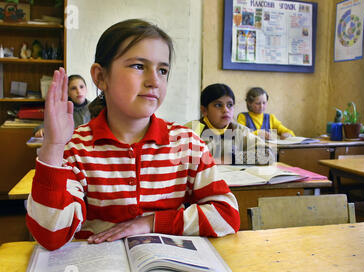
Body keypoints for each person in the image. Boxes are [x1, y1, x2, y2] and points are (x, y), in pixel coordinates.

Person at [26, 19, 240, 251]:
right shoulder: (76, 149)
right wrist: (53, 147)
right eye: (138, 66)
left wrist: (151, 222)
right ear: (100, 77)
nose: (154, 81)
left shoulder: (188, 145)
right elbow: (50, 236)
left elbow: (227, 215)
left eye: (163, 70)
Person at [184, 83, 275, 165]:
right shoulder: (191, 130)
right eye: (218, 105)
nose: (226, 110)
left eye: (230, 105)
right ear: (204, 110)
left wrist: (230, 159)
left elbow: (268, 155)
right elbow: (180, 159)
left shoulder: (239, 131)